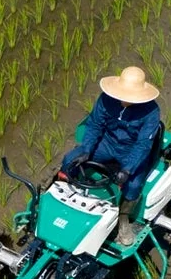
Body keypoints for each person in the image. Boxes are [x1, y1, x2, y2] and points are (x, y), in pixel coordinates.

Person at [59, 66, 163, 245]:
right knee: (70, 160)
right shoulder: (106, 100)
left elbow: (143, 145)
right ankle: (64, 198)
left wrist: (128, 169)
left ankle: (123, 220)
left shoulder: (151, 112)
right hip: (106, 144)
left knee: (135, 184)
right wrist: (86, 149)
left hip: (131, 151)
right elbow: (95, 125)